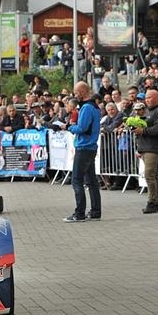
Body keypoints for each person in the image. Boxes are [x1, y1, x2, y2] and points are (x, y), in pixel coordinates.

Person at [61, 82, 102, 222]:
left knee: (77, 180)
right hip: (91, 147)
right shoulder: (95, 107)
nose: (75, 95)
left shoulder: (86, 107)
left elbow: (82, 128)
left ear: (83, 91)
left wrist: (69, 127)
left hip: (84, 147)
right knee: (91, 181)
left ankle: (79, 213)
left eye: (76, 92)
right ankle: (95, 211)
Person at [133, 89, 158, 214]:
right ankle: (156, 202)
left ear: (157, 98)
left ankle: (152, 201)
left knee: (149, 175)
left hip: (154, 148)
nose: (147, 100)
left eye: (150, 97)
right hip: (145, 147)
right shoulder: (147, 111)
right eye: (146, 98)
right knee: (153, 175)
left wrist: (142, 131)